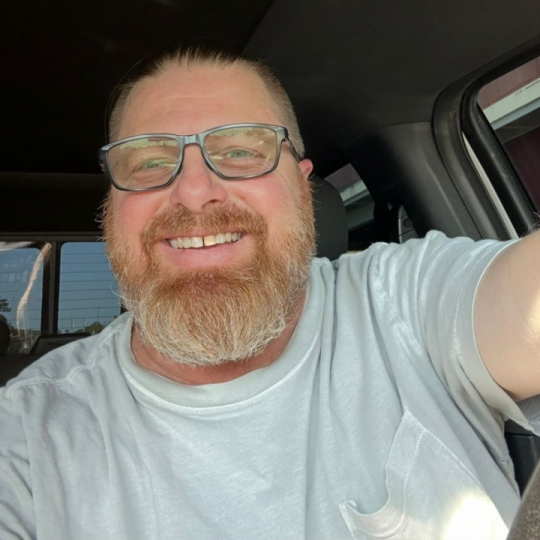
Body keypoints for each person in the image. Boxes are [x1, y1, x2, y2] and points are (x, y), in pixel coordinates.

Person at [1, 47, 540, 540]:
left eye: (241, 150)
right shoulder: (27, 435)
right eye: (149, 163)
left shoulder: (402, 300)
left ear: (303, 187)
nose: (194, 192)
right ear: (113, 207)